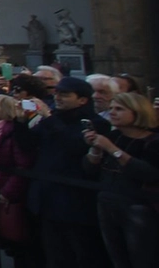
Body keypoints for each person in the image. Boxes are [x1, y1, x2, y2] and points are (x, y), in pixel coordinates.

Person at [18, 76, 111, 268]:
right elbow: (28, 146)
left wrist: (49, 118)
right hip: (47, 198)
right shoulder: (52, 120)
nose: (58, 97)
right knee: (55, 255)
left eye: (65, 95)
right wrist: (19, 122)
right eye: (57, 93)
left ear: (82, 100)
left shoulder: (94, 123)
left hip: (76, 202)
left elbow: (74, 146)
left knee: (83, 255)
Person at [82, 91, 159, 268]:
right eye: (111, 109)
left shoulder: (153, 141)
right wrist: (95, 150)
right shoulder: (112, 136)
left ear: (137, 111)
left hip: (139, 207)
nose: (113, 113)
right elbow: (89, 170)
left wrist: (113, 150)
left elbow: (149, 173)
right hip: (107, 202)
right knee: (118, 259)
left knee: (143, 259)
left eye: (119, 109)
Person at [0, 94, 38, 268]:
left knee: (18, 235)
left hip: (10, 193)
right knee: (2, 231)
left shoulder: (12, 132)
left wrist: (7, 192)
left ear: (2, 111)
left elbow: (23, 165)